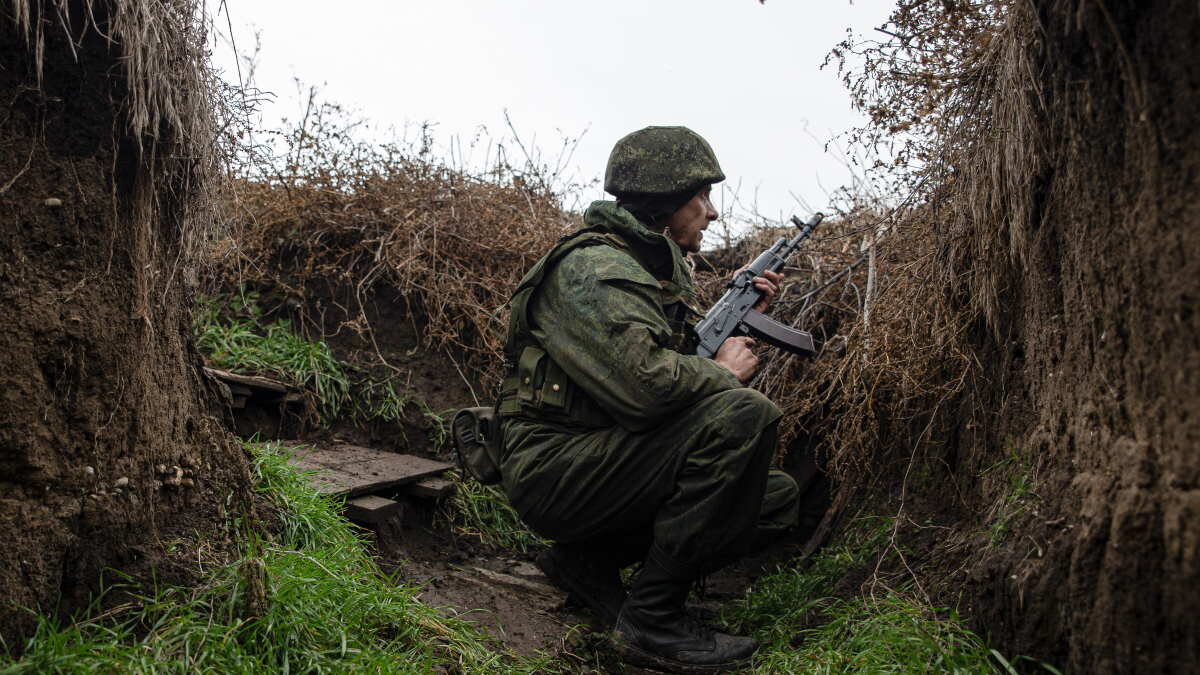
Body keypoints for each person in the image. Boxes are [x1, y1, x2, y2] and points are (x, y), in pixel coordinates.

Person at [496, 126, 800, 673]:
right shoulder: (595, 270)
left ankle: (589, 563)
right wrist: (721, 373)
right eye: (701, 197)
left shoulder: (637, 271)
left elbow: (649, 361)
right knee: (744, 415)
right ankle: (652, 621)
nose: (712, 213)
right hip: (555, 467)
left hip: (601, 458)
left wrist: (734, 307)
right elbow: (648, 390)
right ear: (664, 202)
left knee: (770, 497)